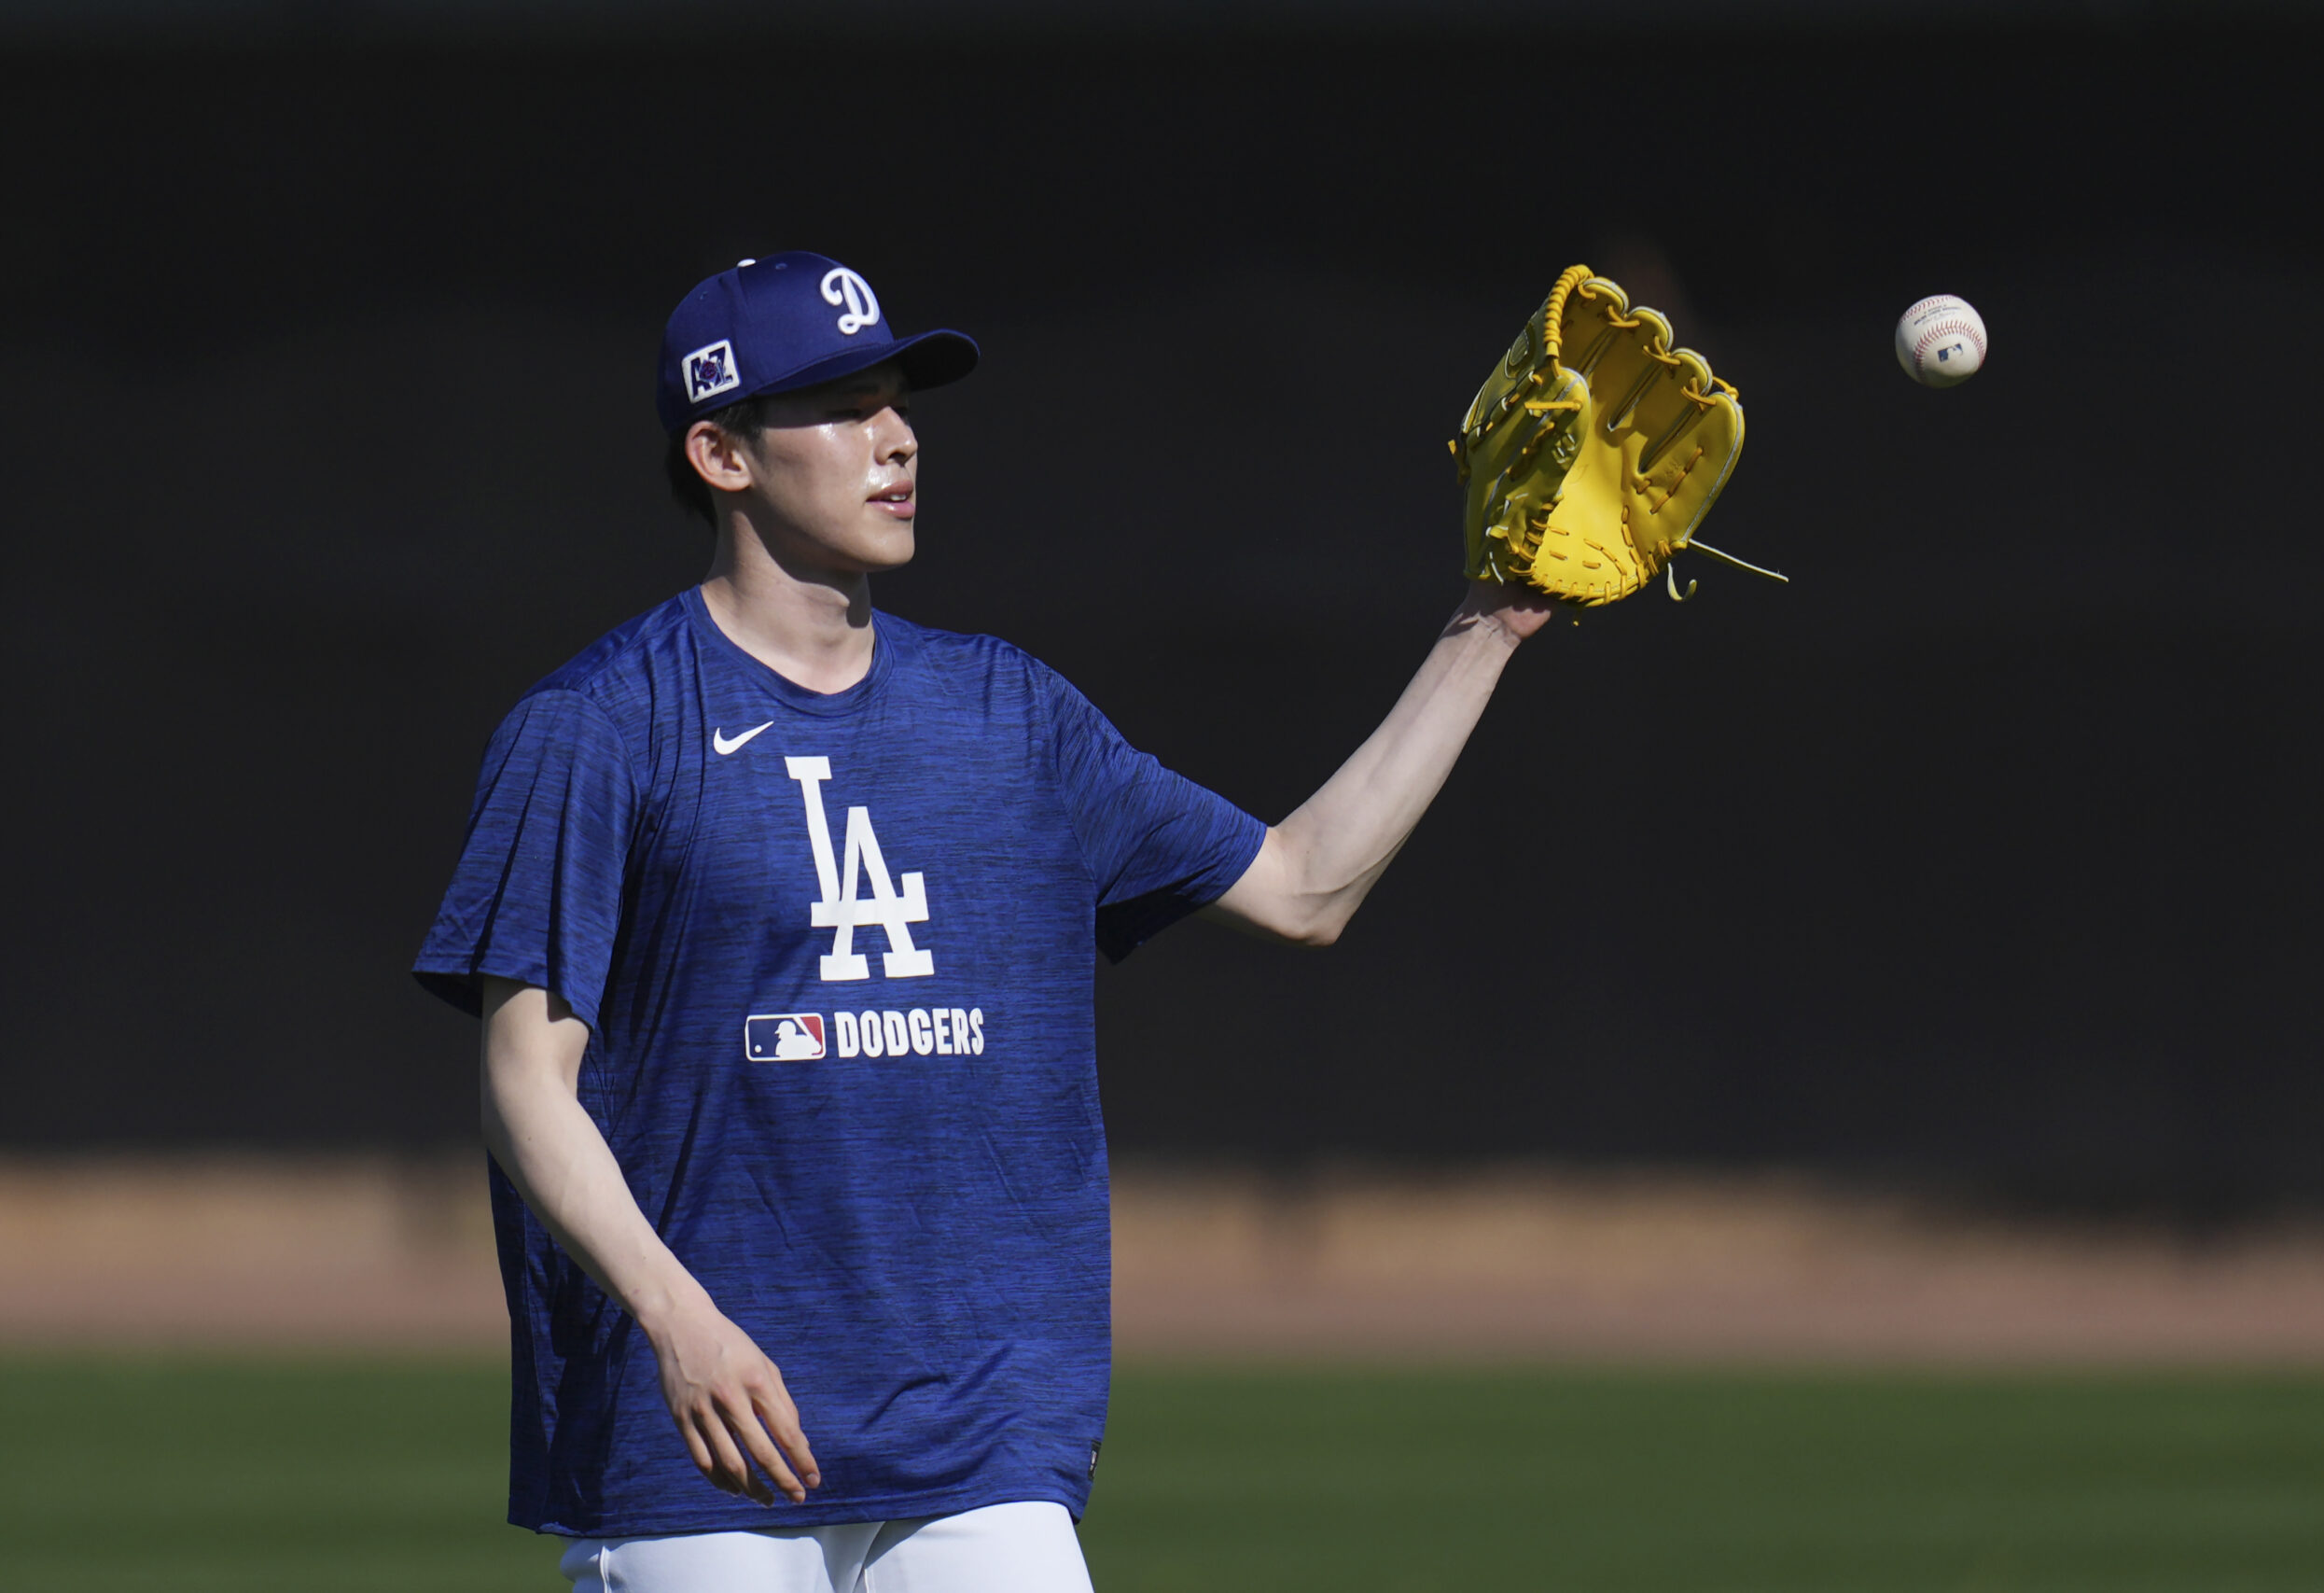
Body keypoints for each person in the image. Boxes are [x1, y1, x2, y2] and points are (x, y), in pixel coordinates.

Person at [414, 250, 1553, 1593]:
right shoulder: (599, 729)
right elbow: (522, 1081)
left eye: (898, 398)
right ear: (721, 454)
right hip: (697, 1452)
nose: (896, 437)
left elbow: (1302, 885)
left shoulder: (1013, 717)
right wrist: (679, 1321)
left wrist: (1494, 622)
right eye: (839, 405)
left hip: (982, 1444)